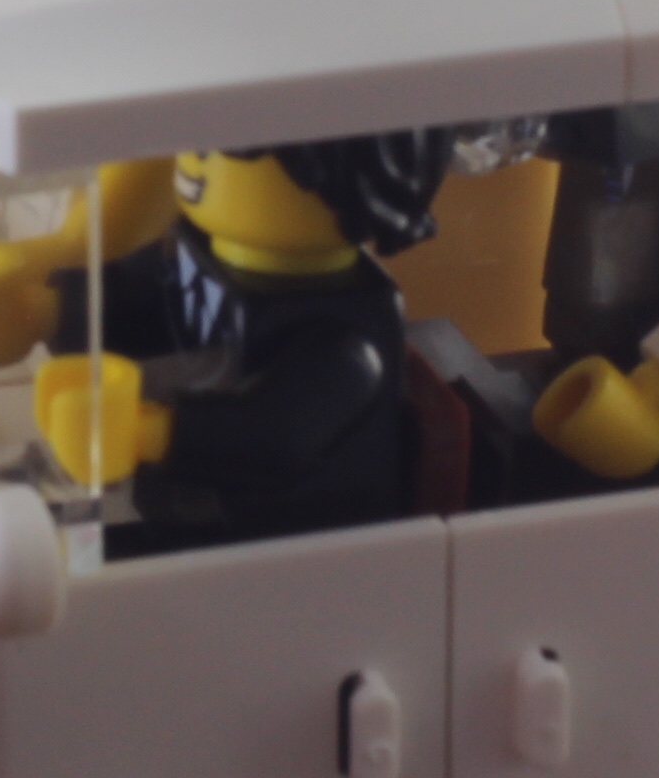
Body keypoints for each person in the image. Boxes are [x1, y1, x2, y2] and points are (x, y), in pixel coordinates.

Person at [32, 130, 444, 553]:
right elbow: (140, 303)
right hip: (190, 516)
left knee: (71, 565)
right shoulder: (199, 252)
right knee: (52, 549)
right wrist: (45, 312)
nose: (191, 160)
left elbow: (274, 437)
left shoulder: (346, 338)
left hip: (289, 547)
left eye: (213, 149)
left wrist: (144, 431)